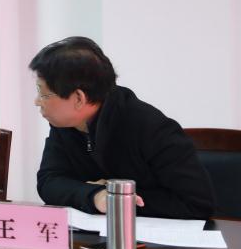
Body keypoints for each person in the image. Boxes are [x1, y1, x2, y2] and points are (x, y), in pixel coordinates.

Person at [29, 36, 215, 219]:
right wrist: (95, 196)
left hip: (154, 236)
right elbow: (49, 181)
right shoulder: (65, 124)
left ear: (79, 98)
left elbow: (197, 203)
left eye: (43, 94)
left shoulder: (150, 127)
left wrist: (117, 198)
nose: (37, 102)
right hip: (96, 233)